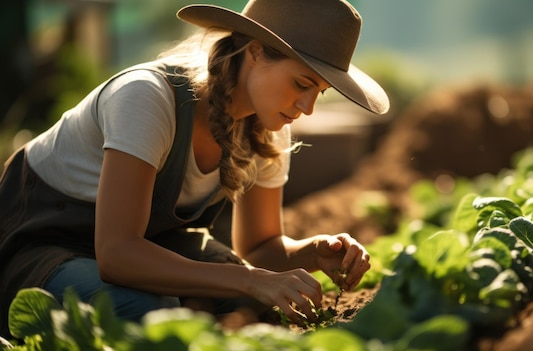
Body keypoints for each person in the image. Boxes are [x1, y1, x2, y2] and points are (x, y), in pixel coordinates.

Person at [0, 0, 389, 336]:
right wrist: (249, 280)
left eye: (318, 92)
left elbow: (258, 247)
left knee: (252, 310)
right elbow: (117, 252)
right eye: (301, 83)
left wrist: (312, 253)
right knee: (154, 316)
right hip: (45, 248)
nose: (307, 108)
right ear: (254, 52)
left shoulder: (269, 128)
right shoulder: (147, 98)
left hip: (148, 250)